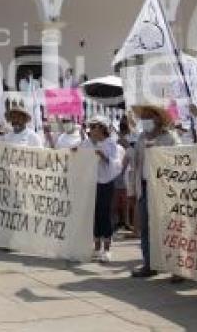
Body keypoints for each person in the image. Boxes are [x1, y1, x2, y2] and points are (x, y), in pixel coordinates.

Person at [130, 103, 179, 278]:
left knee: (168, 227)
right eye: (143, 117)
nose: (145, 120)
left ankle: (176, 268)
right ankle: (149, 264)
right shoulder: (141, 138)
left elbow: (178, 162)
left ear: (158, 119)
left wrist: (157, 151)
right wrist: (133, 190)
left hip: (164, 189)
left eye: (148, 116)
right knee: (146, 228)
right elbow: (135, 164)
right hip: (144, 186)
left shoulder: (170, 138)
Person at [77, 116, 122, 263]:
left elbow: (116, 164)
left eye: (95, 126)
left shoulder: (110, 144)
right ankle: (96, 247)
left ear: (102, 128)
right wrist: (73, 152)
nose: (92, 130)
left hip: (106, 183)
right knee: (94, 214)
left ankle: (107, 249)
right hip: (92, 183)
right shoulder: (87, 143)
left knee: (105, 213)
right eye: (91, 127)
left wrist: (105, 157)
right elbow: (79, 156)